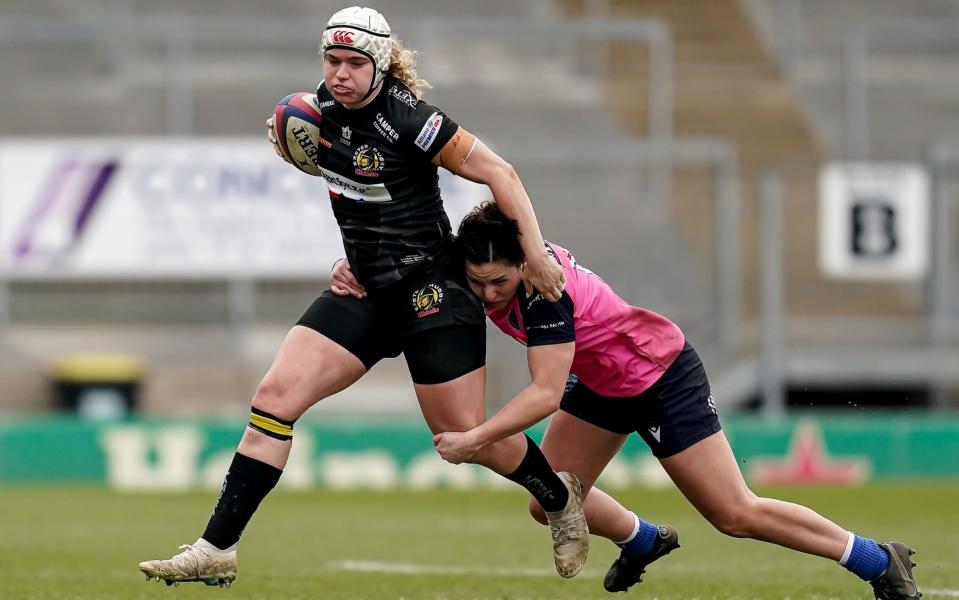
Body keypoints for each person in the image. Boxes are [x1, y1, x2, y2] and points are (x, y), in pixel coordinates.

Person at [138, 6, 589, 588]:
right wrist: (350, 256)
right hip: (367, 291)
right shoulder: (314, 116)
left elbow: (501, 172)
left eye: (354, 62)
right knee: (275, 398)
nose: (341, 73)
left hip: (433, 289)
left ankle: (558, 499)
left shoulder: (410, 117)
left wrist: (534, 255)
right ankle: (216, 548)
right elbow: (362, 198)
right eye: (332, 60)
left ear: (379, 65)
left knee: (466, 437)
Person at [430, 201, 921, 599]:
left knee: (734, 514)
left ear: (525, 262)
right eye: (478, 282)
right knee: (550, 499)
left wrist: (477, 438)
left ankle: (878, 560)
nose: (488, 294)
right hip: (602, 383)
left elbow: (545, 393)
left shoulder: (545, 292)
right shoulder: (485, 263)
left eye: (499, 282)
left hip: (659, 375)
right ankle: (643, 541)